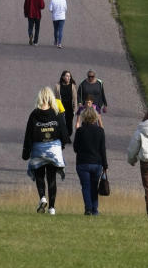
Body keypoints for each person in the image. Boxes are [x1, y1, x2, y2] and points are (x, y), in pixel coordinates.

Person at [22, 86, 67, 215]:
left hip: (38, 149)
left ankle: (42, 197)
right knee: (52, 178)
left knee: (39, 176)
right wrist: (62, 145)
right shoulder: (56, 113)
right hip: (53, 150)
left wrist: (25, 152)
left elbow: (28, 134)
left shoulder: (34, 114)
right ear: (51, 97)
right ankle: (52, 208)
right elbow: (63, 132)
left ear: (40, 97)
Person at [73, 105, 108, 216]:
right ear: (95, 117)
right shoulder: (100, 131)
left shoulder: (80, 131)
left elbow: (75, 148)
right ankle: (95, 209)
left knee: (86, 186)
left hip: (82, 162)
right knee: (94, 186)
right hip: (97, 163)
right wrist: (105, 165)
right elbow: (103, 150)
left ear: (83, 117)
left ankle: (88, 208)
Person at [58, 70, 78, 142]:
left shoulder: (72, 86)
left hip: (70, 108)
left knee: (69, 123)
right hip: (61, 108)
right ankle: (63, 137)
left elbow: (75, 99)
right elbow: (55, 98)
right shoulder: (58, 86)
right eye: (67, 76)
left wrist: (75, 109)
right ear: (63, 77)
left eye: (69, 76)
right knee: (62, 122)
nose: (68, 77)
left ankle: (68, 135)